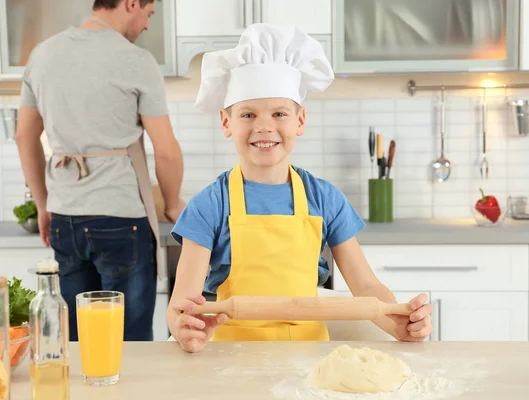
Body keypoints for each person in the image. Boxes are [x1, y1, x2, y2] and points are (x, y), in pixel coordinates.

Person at [167, 23, 432, 353]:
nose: (264, 126)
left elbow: (365, 285)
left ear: (300, 120)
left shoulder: (325, 199)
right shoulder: (210, 204)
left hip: (310, 360)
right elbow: (183, 300)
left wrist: (400, 322)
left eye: (279, 113)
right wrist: (184, 326)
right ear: (226, 122)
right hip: (231, 358)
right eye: (248, 114)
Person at [15, 0, 184, 341]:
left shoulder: (43, 54)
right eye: (148, 14)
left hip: (65, 217)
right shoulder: (135, 60)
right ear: (131, 3)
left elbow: (24, 137)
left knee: (76, 341)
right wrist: (172, 201)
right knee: (129, 342)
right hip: (121, 219)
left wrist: (43, 204)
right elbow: (166, 152)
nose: (147, 25)